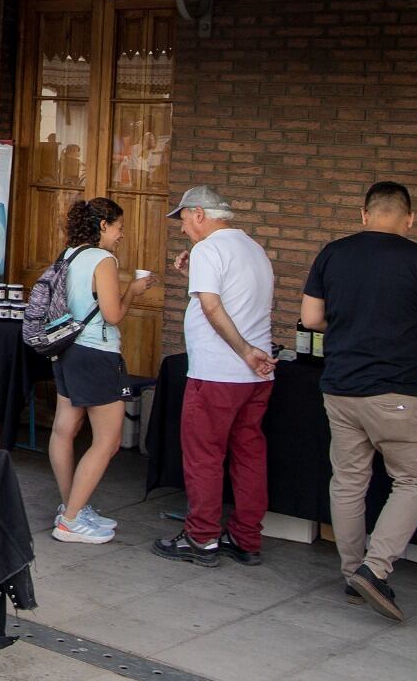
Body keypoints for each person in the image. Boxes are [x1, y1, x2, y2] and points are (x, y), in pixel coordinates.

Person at [301, 181, 417, 622]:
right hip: (397, 394)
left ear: (364, 215)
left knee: (349, 481)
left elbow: (311, 318)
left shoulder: (333, 252)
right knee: (414, 480)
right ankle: (375, 569)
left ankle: (354, 575)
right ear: (410, 219)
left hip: (340, 388)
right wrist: (411, 338)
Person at [153, 186, 275, 568]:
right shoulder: (253, 248)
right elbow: (235, 294)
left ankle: (201, 537)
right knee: (249, 454)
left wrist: (243, 351)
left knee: (204, 456)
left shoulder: (209, 249)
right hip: (255, 378)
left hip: (218, 371)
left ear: (199, 214)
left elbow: (211, 306)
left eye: (184, 220)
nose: (184, 228)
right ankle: (245, 538)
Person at [48, 198, 153, 543]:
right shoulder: (103, 260)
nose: (122, 235)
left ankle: (70, 506)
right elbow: (113, 314)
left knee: (64, 429)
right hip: (97, 352)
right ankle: (72, 519)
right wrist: (133, 292)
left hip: (66, 349)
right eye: (120, 227)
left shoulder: (68, 254)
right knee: (107, 440)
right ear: (104, 226)